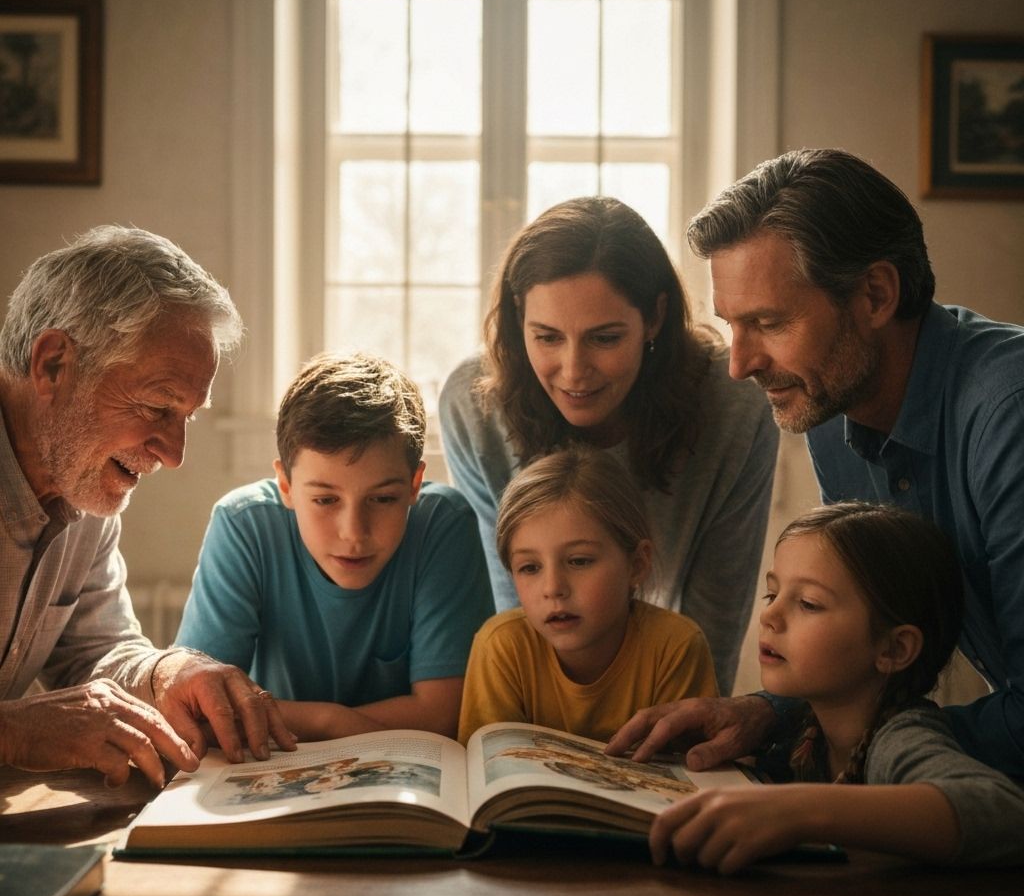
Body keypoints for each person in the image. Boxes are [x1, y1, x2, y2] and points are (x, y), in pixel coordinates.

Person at [608, 148, 1024, 778]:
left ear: (876, 294)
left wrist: (857, 746)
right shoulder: (832, 413)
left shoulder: (1008, 414)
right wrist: (768, 711)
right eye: (731, 325)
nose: (740, 363)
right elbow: (866, 659)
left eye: (769, 322)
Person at [440, 197, 778, 693]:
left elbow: (712, 628)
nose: (574, 371)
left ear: (655, 317)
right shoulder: (473, 407)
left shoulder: (736, 406)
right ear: (519, 318)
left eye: (604, 338)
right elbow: (517, 609)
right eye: (547, 337)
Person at [0, 225, 295, 790]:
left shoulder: (82, 484)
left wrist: (168, 671)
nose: (175, 455)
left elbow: (98, 650)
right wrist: (15, 732)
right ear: (54, 365)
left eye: (187, 416)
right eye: (158, 406)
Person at [648, 503, 1024, 872]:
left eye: (809, 604)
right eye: (771, 594)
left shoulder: (899, 736)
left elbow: (1003, 813)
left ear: (894, 649)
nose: (769, 615)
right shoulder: (801, 729)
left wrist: (798, 810)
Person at [174, 352, 494, 741]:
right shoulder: (244, 526)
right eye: (326, 500)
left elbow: (443, 713)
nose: (354, 533)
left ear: (414, 484)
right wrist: (331, 721)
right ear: (286, 486)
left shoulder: (443, 524)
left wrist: (305, 719)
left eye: (382, 499)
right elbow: (203, 707)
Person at [457, 446, 718, 745]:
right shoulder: (502, 647)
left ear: (637, 565)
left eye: (579, 561)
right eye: (530, 567)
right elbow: (489, 774)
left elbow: (691, 778)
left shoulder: (676, 646)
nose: (553, 588)